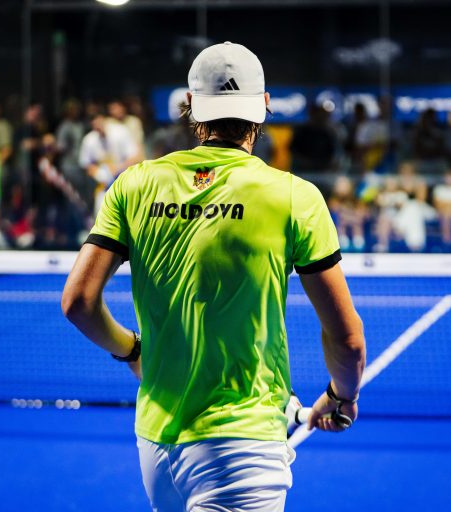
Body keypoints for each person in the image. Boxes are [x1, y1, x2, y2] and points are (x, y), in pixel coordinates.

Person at [62, 41, 366, 511]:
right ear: (264, 106)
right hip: (241, 449)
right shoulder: (294, 197)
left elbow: (78, 303)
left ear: (190, 105)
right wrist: (340, 396)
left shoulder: (133, 184)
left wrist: (132, 350)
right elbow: (347, 339)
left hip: (155, 445)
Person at [78, 113, 141, 217]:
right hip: (103, 185)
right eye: (95, 126)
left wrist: (117, 169)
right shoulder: (89, 140)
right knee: (101, 214)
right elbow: (86, 164)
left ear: (104, 119)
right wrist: (99, 173)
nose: (98, 128)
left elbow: (135, 157)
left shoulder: (121, 132)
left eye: (99, 123)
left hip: (125, 181)